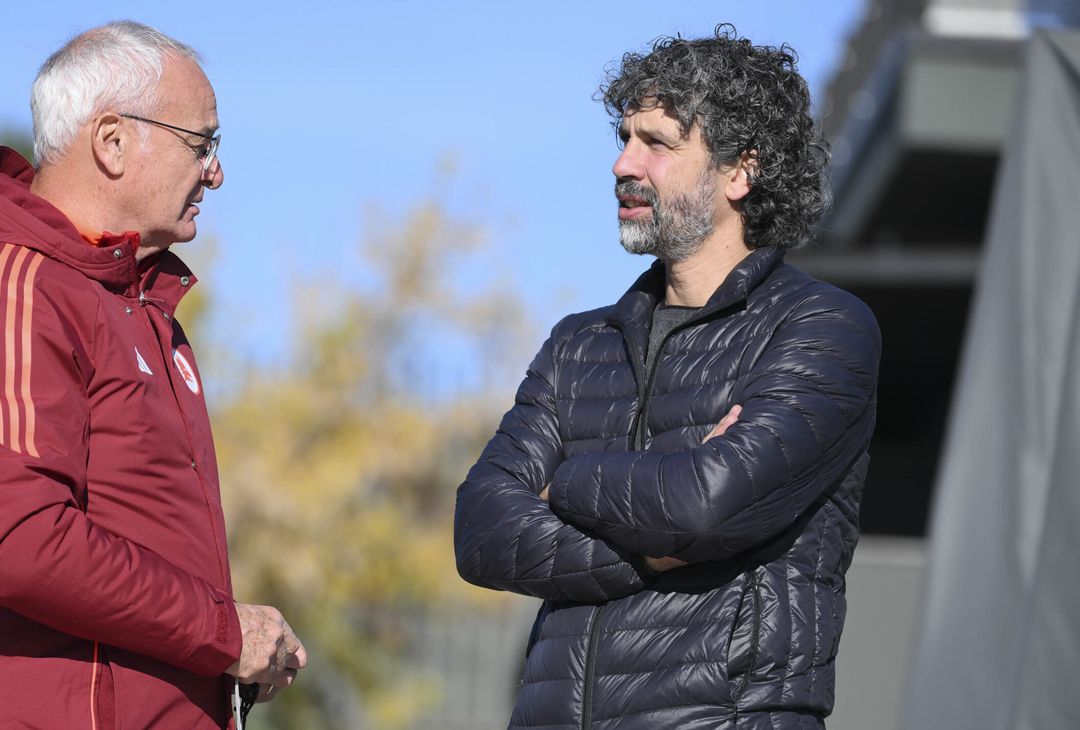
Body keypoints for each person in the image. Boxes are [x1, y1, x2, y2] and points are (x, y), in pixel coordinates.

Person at [455, 25, 880, 730]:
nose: (624, 164)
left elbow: (704, 506)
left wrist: (564, 482)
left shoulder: (820, 328)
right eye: (624, 138)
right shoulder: (578, 345)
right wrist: (652, 552)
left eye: (657, 143)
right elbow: (481, 532)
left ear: (740, 171)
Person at [0, 21, 305, 729]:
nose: (216, 172)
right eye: (202, 144)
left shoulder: (143, 307)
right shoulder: (24, 284)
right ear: (111, 141)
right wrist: (226, 634)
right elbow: (19, 537)